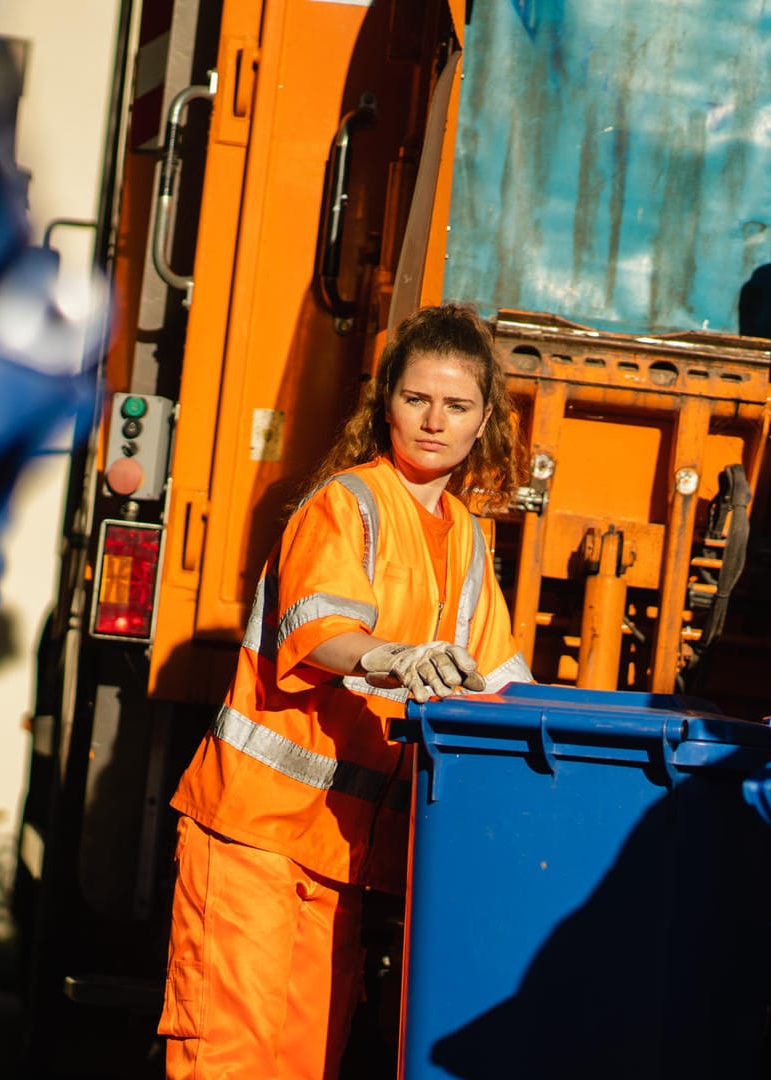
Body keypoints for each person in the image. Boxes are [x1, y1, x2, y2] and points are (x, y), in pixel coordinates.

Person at [157, 303, 533, 1079]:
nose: (434, 421)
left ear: (483, 420)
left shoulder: (465, 539)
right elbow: (320, 631)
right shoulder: (347, 502)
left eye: (457, 405)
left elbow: (504, 682)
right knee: (229, 1063)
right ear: (385, 399)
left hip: (342, 859)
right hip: (254, 840)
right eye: (416, 399)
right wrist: (392, 656)